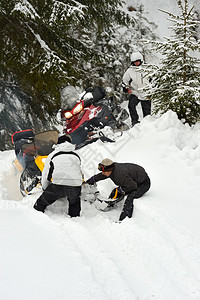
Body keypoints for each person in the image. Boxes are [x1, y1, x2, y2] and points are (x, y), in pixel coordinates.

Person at [86, 158, 151, 221]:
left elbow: (133, 186)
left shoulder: (119, 175)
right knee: (115, 191)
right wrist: (91, 180)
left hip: (143, 184)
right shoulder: (111, 169)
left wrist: (121, 190)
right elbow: (102, 175)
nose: (103, 173)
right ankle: (110, 205)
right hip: (132, 181)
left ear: (109, 170)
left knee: (130, 196)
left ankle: (125, 218)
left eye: (104, 171)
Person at [33, 135, 82, 217]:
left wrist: (45, 189)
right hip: (75, 184)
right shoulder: (76, 155)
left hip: (58, 185)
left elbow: (46, 175)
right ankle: (75, 217)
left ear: (58, 144)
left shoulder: (53, 155)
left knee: (41, 203)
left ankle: (35, 216)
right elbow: (78, 171)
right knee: (74, 203)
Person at [122, 51, 151, 126]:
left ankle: (147, 123)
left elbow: (154, 79)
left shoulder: (147, 68)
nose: (137, 63)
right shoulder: (130, 70)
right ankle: (134, 121)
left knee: (146, 110)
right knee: (131, 105)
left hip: (145, 92)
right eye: (135, 62)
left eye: (138, 61)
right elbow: (125, 80)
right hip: (135, 92)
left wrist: (152, 90)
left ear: (141, 60)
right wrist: (126, 88)